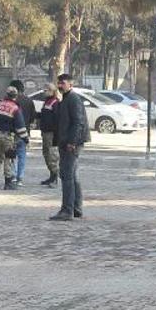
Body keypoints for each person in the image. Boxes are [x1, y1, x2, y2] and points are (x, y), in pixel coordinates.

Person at [49, 74, 91, 221]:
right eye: (59, 82)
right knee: (72, 176)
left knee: (67, 176)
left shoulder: (73, 99)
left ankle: (67, 210)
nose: (60, 85)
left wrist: (72, 142)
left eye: (63, 83)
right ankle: (76, 208)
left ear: (70, 85)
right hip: (66, 142)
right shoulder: (65, 99)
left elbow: (78, 122)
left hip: (71, 144)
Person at [0, 86, 29, 191]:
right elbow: (20, 126)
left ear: (6, 95)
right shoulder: (15, 108)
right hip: (8, 137)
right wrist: (25, 139)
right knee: (9, 158)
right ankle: (8, 182)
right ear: (15, 96)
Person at [9, 80, 36, 187]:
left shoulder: (11, 101)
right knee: (22, 155)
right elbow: (33, 117)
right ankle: (20, 177)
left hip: (12, 132)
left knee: (12, 156)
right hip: (25, 132)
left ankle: (13, 176)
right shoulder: (29, 101)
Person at [38, 83, 61, 187]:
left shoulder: (55, 103)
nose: (44, 92)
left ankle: (55, 177)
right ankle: (51, 175)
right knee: (46, 154)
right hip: (45, 132)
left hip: (51, 133)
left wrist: (56, 135)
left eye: (45, 90)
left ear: (51, 91)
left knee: (52, 156)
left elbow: (57, 120)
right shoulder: (47, 102)